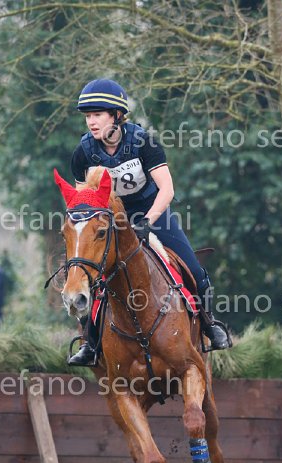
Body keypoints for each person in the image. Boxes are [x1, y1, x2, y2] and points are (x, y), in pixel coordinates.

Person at [68, 78, 231, 366]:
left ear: (116, 115)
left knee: (194, 269)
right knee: (93, 277)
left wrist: (146, 221)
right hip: (111, 220)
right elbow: (84, 200)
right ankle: (90, 344)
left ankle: (209, 325)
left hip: (152, 210)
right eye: (88, 116)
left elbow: (167, 189)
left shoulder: (143, 141)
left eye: (97, 115)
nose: (91, 122)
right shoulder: (83, 152)